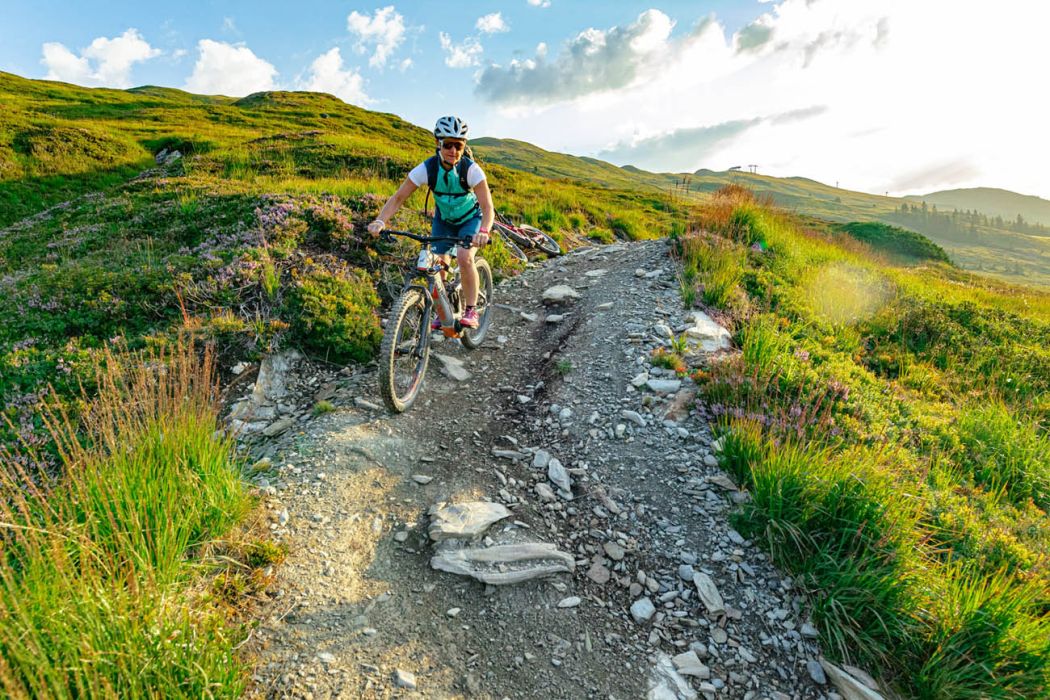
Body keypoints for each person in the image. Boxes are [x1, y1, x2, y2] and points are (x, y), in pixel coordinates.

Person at [367, 115, 494, 328]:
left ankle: (471, 310)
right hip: (443, 220)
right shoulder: (427, 169)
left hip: (471, 219)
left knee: (464, 257)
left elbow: (488, 207)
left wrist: (483, 231)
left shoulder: (471, 170)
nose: (453, 151)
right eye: (448, 145)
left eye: (458, 145)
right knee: (437, 264)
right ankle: (443, 310)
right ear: (438, 143)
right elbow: (398, 198)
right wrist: (380, 221)